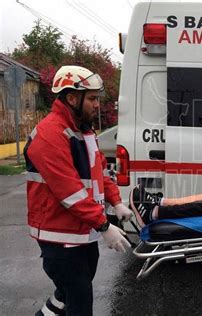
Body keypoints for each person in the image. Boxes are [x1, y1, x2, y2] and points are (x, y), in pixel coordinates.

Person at [25, 65, 133, 316]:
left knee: (67, 294)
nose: (98, 105)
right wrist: (104, 225)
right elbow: (69, 191)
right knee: (80, 301)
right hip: (59, 236)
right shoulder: (50, 134)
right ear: (72, 98)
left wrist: (116, 202)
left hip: (81, 232)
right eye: (93, 98)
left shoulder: (83, 131)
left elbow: (102, 172)